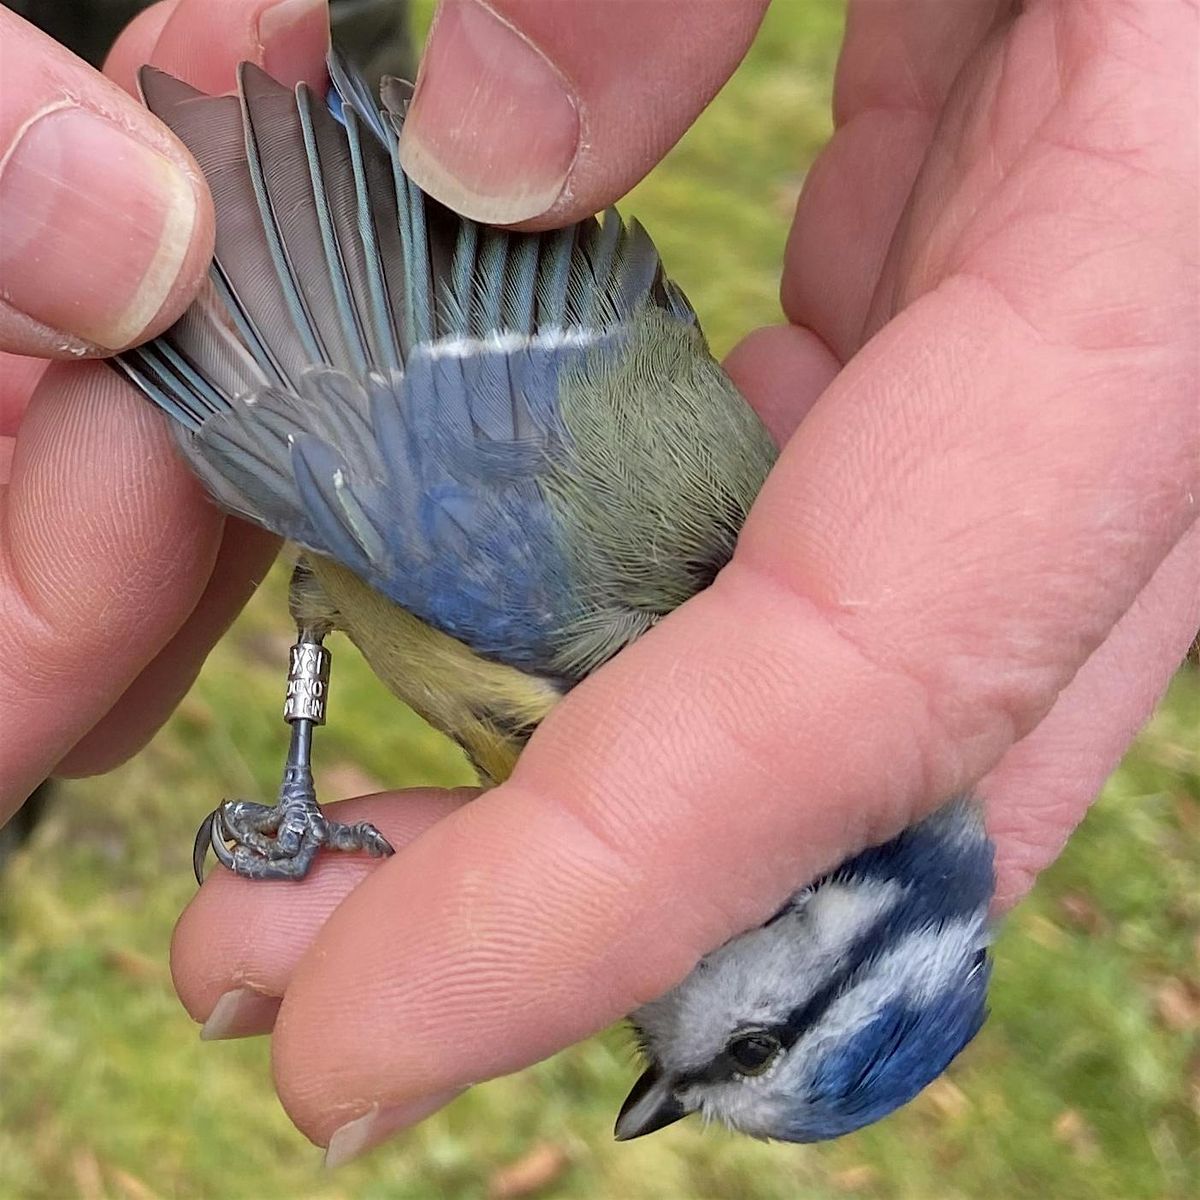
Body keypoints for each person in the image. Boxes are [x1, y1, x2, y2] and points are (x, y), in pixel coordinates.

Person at [0, 0, 1195, 1166]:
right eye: (742, 1047)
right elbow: (312, 419)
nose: (662, 1081)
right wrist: (108, 228)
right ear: (807, 921)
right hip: (351, 298)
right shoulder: (593, 639)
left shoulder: (762, 711)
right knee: (289, 459)